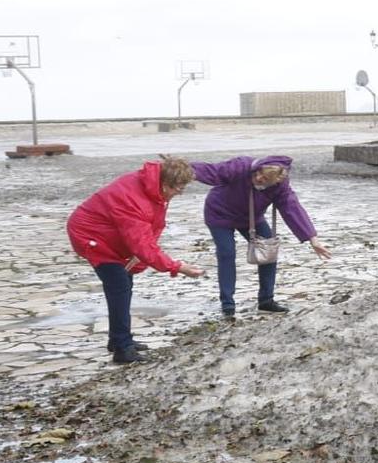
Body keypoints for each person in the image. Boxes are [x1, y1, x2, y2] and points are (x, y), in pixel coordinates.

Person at [66, 155, 205, 364]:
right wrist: (176, 267)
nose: (180, 193)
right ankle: (122, 348)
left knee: (125, 282)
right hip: (91, 236)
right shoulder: (133, 200)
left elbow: (150, 231)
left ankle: (118, 339)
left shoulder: (153, 189)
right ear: (165, 183)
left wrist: (141, 259)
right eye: (178, 188)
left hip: (109, 234)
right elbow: (141, 243)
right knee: (119, 285)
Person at [190, 154, 330, 317]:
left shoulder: (280, 186)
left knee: (269, 249)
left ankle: (266, 300)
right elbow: (212, 171)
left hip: (250, 217)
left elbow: (292, 209)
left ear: (276, 180)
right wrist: (182, 169)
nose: (257, 178)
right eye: (257, 174)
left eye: (263, 179)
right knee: (227, 253)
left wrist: (313, 239)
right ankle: (228, 305)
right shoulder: (241, 167)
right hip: (219, 213)